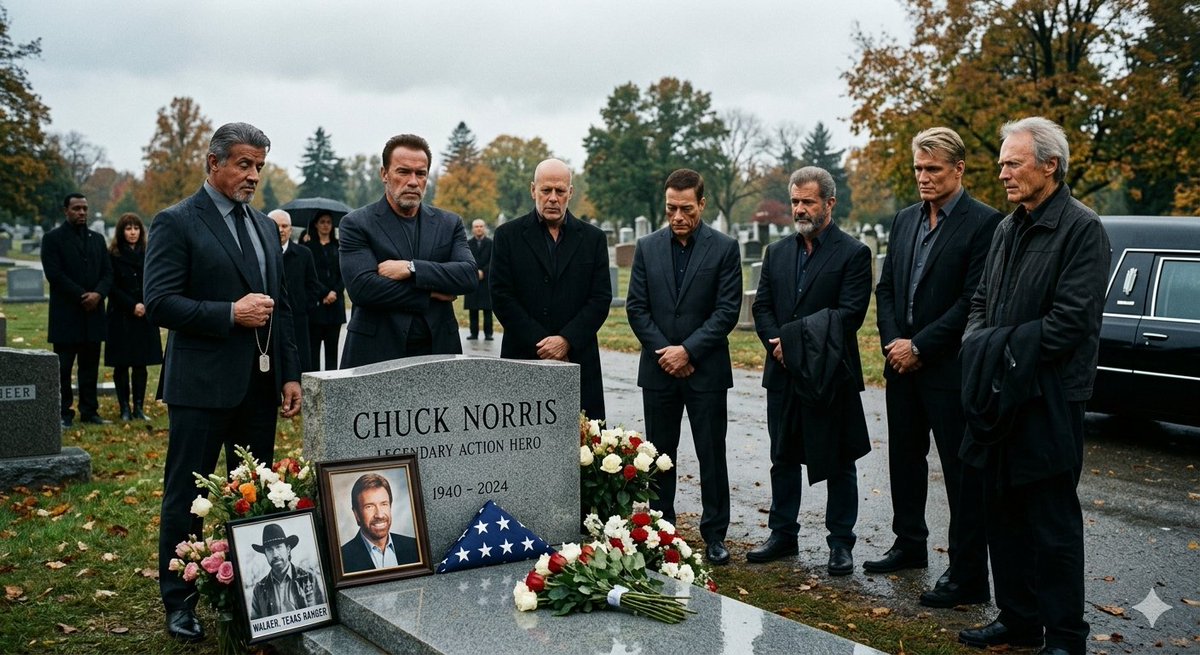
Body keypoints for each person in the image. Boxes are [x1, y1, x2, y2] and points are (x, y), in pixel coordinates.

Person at [144, 122, 302, 643]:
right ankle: (180, 600)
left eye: (259, 166)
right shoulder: (176, 222)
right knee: (186, 496)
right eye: (243, 164)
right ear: (213, 163)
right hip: (200, 386)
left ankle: (253, 597)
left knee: (252, 494)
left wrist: (289, 374)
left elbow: (282, 308)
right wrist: (230, 313)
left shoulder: (264, 228)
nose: (253, 175)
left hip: (258, 387)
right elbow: (160, 302)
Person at [956, 117, 1108, 655]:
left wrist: (996, 350)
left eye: (1012, 163)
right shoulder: (1006, 227)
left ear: (1050, 165)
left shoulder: (1082, 229)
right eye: (1001, 163)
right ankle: (1018, 620)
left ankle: (1065, 637)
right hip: (1000, 394)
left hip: (1049, 398)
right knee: (1003, 515)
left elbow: (1070, 323)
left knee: (1051, 523)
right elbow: (981, 301)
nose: (1002, 173)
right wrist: (978, 347)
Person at [866, 127, 1002, 607]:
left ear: (958, 169)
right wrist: (893, 344)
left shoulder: (985, 223)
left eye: (933, 169)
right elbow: (886, 288)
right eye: (918, 169)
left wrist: (920, 346)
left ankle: (967, 573)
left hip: (949, 370)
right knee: (904, 460)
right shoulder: (905, 219)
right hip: (901, 366)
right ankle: (909, 544)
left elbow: (972, 300)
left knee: (962, 474)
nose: (923, 177)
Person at [747, 167, 872, 576]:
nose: (799, 209)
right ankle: (783, 534)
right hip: (783, 372)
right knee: (782, 456)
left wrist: (795, 343)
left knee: (839, 459)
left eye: (808, 202)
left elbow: (849, 315)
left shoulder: (853, 253)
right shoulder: (777, 252)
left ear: (829, 203)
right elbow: (762, 306)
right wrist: (778, 344)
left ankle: (841, 543)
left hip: (829, 373)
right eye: (795, 201)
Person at [626, 169, 741, 565]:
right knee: (660, 455)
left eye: (686, 209)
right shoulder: (647, 247)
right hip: (659, 370)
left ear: (702, 204)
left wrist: (688, 352)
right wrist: (667, 353)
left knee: (712, 454)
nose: (678, 216)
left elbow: (726, 310)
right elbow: (636, 308)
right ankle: (664, 532)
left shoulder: (724, 248)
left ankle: (715, 535)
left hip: (706, 370)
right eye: (671, 208)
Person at [338, 134, 477, 367]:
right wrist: (431, 292)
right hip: (375, 352)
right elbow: (363, 289)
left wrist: (412, 269)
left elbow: (468, 276)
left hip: (439, 350)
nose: (413, 181)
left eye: (420, 174)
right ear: (384, 174)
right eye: (403, 172)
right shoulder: (357, 223)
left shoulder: (449, 223)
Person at [491, 159, 612, 420]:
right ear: (533, 190)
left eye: (560, 191)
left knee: (582, 437)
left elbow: (600, 298)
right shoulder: (507, 236)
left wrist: (566, 340)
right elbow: (501, 297)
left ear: (571, 192)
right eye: (546, 190)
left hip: (578, 357)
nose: (553, 198)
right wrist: (543, 344)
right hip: (523, 357)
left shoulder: (593, 239)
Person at [41, 193, 113, 427]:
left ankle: (90, 411)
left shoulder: (97, 239)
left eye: (84, 208)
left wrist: (98, 294)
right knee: (63, 368)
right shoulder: (53, 239)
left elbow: (108, 272)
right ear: (66, 211)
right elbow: (54, 274)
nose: (82, 212)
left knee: (90, 367)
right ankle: (63, 412)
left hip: (93, 314)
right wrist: (82, 295)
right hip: (67, 314)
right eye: (76, 208)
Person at [105, 212, 163, 421]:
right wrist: (132, 306)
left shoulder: (149, 253)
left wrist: (146, 304)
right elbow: (110, 285)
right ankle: (124, 408)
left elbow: (155, 280)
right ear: (121, 232)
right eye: (128, 228)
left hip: (144, 313)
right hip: (121, 315)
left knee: (140, 363)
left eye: (136, 228)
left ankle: (138, 407)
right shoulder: (112, 254)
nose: (132, 232)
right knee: (121, 364)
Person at [270, 209, 323, 372]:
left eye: (284, 226)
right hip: (269, 320)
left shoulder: (304, 254)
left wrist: (304, 307)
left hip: (298, 320)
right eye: (276, 226)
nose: (281, 230)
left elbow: (313, 286)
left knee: (300, 366)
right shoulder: (260, 253)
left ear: (291, 229)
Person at [340, 473, 420, 573]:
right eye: (369, 506)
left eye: (384, 504)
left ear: (390, 506)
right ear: (356, 514)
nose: (379, 515)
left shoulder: (415, 546)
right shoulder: (342, 559)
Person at [249, 523, 326, 620]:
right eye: (269, 549)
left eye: (278, 547)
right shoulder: (259, 589)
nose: (275, 554)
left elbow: (322, 615)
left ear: (288, 549)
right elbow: (257, 623)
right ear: (265, 554)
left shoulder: (309, 578)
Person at [304, 211, 345, 370]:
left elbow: (344, 273)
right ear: (315, 224)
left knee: (332, 352)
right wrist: (324, 293)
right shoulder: (309, 247)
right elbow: (309, 276)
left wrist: (335, 292)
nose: (326, 225)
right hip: (316, 305)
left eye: (328, 222)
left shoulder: (339, 247)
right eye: (322, 222)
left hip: (335, 306)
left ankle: (331, 382)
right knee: (313, 351)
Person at [464, 219, 494, 341]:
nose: (479, 229)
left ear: (485, 228)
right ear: (473, 229)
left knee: (488, 310)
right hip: (473, 279)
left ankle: (488, 334)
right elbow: (465, 260)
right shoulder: (467, 244)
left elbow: (493, 261)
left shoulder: (491, 244)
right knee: (473, 309)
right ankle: (473, 333)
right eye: (476, 226)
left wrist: (483, 272)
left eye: (481, 226)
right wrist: (475, 272)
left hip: (486, 280)